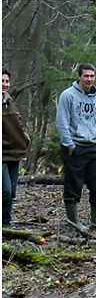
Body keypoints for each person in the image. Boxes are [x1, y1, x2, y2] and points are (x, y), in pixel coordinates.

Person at [55, 62, 96, 233]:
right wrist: (70, 145)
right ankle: (73, 222)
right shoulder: (68, 95)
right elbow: (62, 122)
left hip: (93, 147)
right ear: (78, 76)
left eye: (92, 76)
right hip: (75, 147)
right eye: (86, 76)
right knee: (73, 185)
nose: (89, 79)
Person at [2, 67, 30, 228]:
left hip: (15, 153)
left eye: (6, 81)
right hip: (2, 155)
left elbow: (17, 124)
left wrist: (24, 139)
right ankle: (4, 223)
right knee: (4, 190)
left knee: (11, 191)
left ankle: (7, 220)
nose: (4, 84)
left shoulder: (10, 102)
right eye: (2, 81)